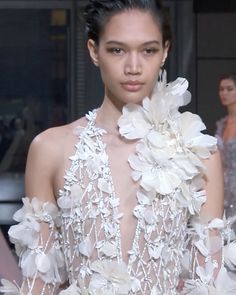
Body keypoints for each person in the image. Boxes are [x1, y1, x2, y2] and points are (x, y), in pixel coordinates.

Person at [1, 1, 236, 294]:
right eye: (117, 50)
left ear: (165, 51)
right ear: (93, 51)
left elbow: (208, 283)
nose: (133, 67)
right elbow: (40, 280)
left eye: (148, 50)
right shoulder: (50, 149)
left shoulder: (199, 153)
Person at [215, 73, 236, 220]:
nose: (224, 93)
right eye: (222, 89)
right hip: (223, 188)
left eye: (229, 89)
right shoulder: (222, 124)